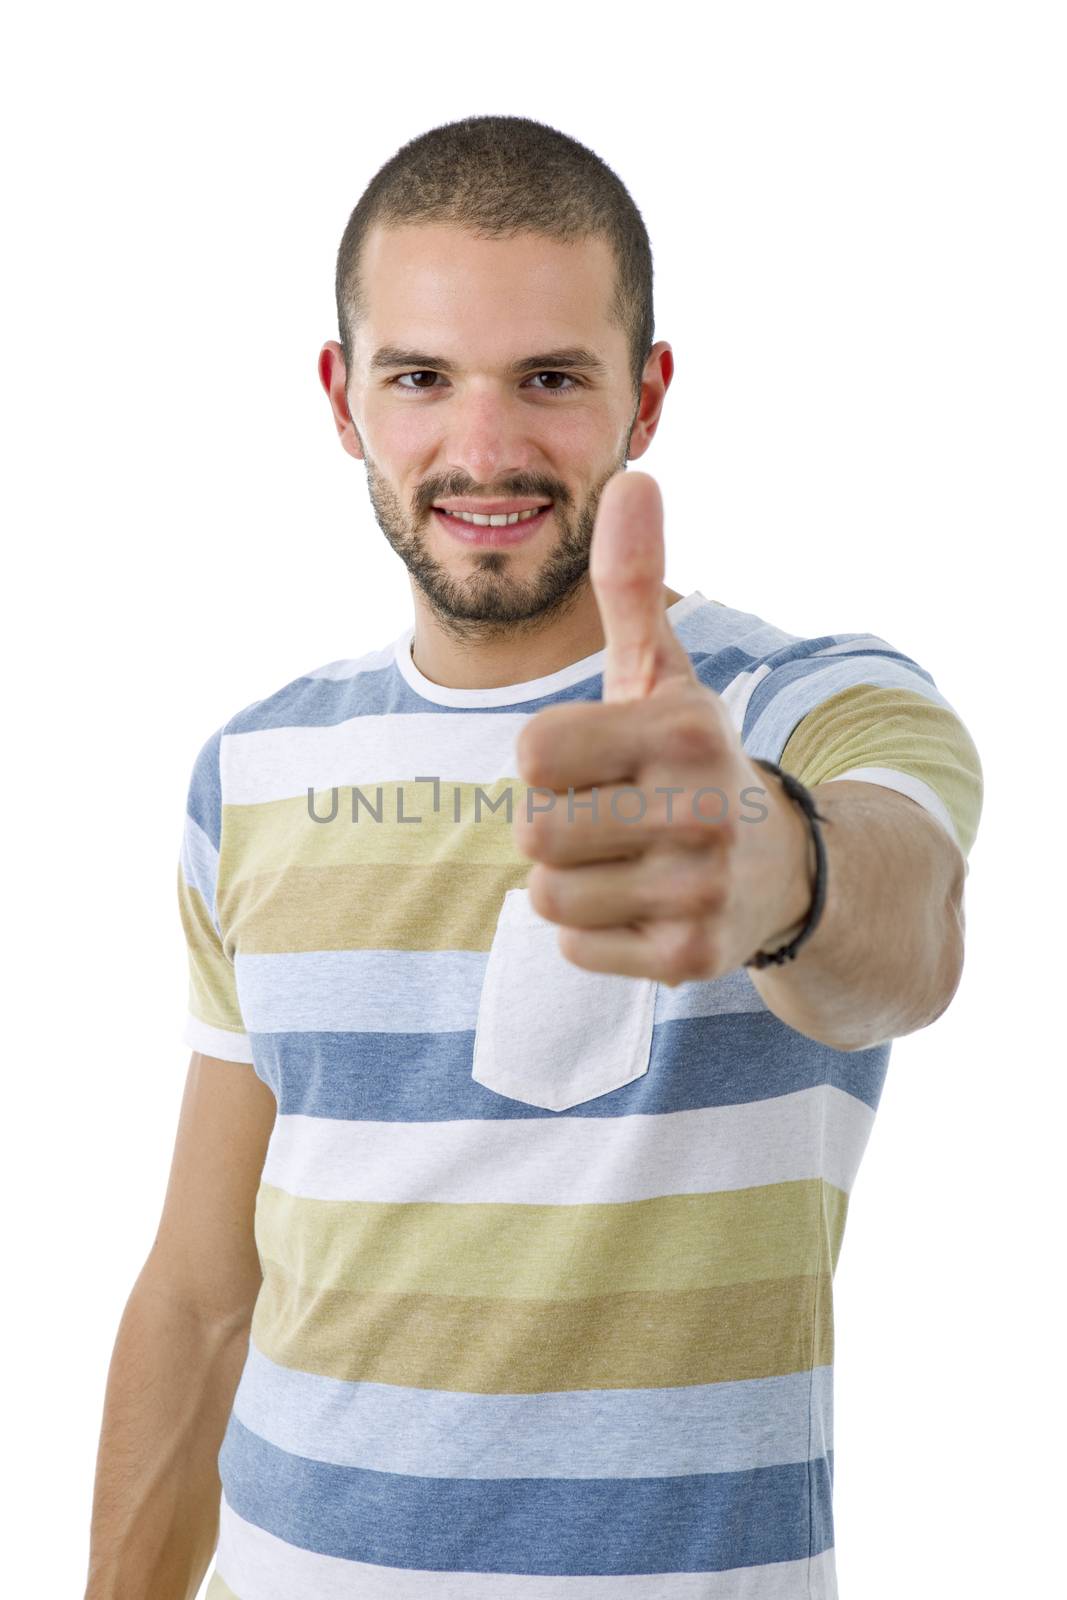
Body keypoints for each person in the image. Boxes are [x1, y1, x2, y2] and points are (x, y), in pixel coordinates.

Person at [84, 115, 983, 1600]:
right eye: (421, 378)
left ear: (647, 394)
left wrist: (770, 866)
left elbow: (914, 925)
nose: (484, 450)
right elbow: (198, 1298)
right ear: (341, 396)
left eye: (552, 380)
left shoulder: (809, 706)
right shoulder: (251, 768)